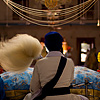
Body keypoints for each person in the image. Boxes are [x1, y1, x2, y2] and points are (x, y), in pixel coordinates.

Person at [27, 31, 88, 100]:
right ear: (61, 46)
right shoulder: (69, 62)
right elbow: (70, 81)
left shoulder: (39, 63)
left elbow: (34, 88)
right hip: (66, 97)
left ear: (46, 46)